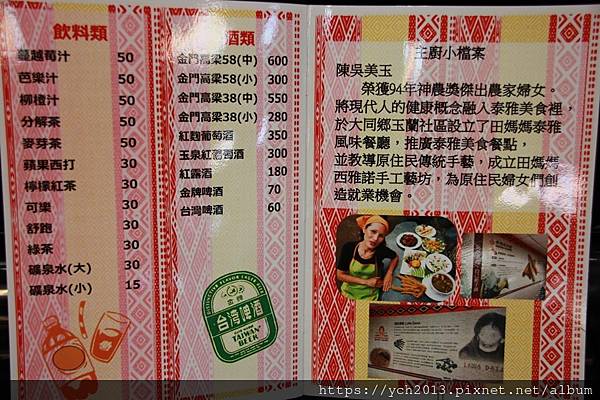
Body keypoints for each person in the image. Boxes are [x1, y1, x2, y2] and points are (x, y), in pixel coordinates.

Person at [336, 215, 399, 300]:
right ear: (364, 229)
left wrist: (389, 273)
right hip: (349, 291)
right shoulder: (349, 248)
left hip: (370, 294)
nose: (375, 238)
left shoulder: (381, 250)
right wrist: (366, 282)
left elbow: (395, 257)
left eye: (381, 236)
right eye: (373, 231)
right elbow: (340, 275)